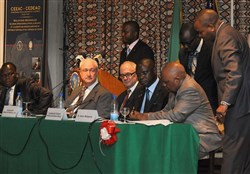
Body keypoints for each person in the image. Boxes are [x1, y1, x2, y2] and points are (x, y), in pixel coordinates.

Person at [194, 9, 250, 174]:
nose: (200, 36)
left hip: (238, 107)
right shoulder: (226, 33)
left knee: (232, 157)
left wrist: (224, 104)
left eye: (201, 32)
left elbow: (235, 72)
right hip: (243, 106)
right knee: (243, 158)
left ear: (211, 26)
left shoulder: (225, 37)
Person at [130, 62, 222, 159]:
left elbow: (175, 116)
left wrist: (146, 116)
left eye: (166, 82)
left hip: (202, 138)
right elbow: (165, 111)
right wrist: (145, 116)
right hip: (187, 135)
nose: (164, 85)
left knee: (165, 149)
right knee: (155, 143)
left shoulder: (189, 89)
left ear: (177, 80)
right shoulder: (175, 88)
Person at [179, 23, 218, 114]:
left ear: (198, 36)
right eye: (183, 43)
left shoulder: (212, 49)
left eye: (188, 43)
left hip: (210, 101)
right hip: (190, 103)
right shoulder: (182, 53)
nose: (186, 47)